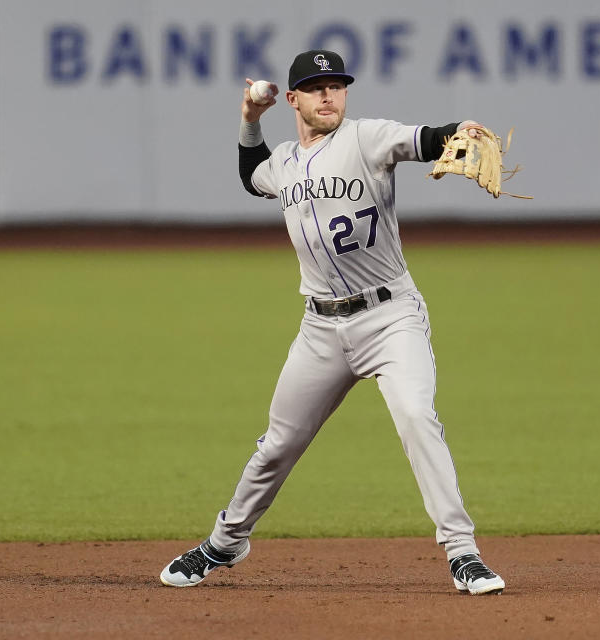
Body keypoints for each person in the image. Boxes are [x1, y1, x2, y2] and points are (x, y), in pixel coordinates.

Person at [159, 49, 505, 596]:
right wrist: (250, 121)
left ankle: (463, 552)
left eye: (337, 85)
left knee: (416, 414)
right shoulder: (285, 165)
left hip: (391, 317)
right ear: (293, 99)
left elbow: (418, 139)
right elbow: (252, 175)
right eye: (316, 86)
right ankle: (226, 542)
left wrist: (453, 132)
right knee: (277, 445)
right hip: (320, 330)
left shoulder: (366, 138)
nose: (329, 95)